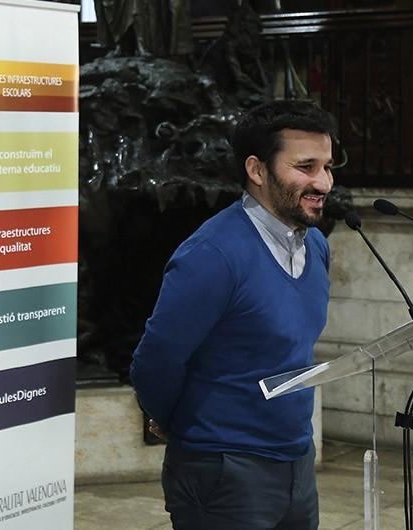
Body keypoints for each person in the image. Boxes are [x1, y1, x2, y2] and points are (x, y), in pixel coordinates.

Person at [131, 99, 338, 530]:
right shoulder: (212, 255)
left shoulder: (316, 246)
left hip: (297, 459)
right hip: (223, 468)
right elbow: (156, 362)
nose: (323, 182)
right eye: (305, 167)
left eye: (327, 167)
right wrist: (181, 426)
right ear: (257, 170)